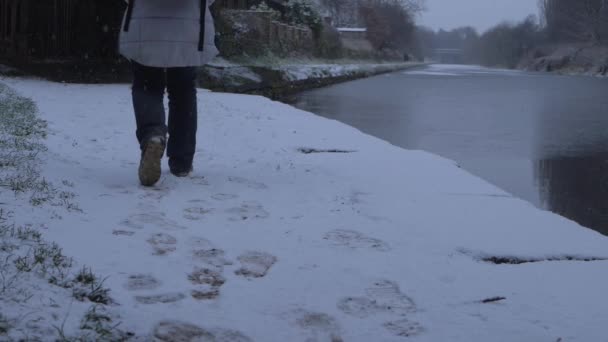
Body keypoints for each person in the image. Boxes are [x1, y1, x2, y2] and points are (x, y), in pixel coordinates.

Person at [119, 0, 218, 186]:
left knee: (147, 85)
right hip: (188, 27)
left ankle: (153, 135)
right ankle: (181, 162)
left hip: (145, 25)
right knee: (183, 92)